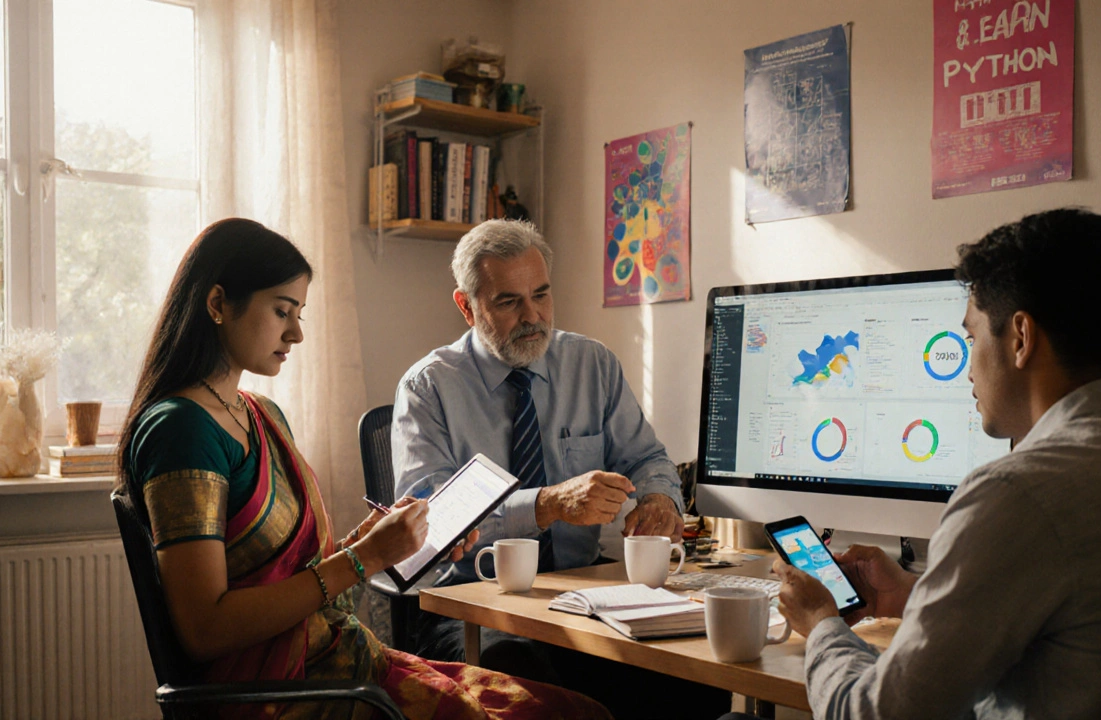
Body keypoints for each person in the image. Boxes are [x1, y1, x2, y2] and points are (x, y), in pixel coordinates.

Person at [763, 208, 1101, 720]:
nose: (967, 365)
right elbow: (1095, 628)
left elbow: (879, 715)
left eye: (970, 337)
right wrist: (916, 597)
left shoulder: (1014, 494)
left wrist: (823, 622)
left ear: (1020, 338)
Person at [117, 218, 610, 720]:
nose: (297, 332)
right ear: (218, 304)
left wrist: (375, 540)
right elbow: (206, 631)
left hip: (343, 665)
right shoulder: (181, 431)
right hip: (288, 694)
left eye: (300, 312)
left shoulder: (259, 413)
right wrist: (363, 558)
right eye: (282, 311)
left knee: (577, 706)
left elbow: (296, 574)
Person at [392, 219, 726, 718]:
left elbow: (648, 458)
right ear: (467, 307)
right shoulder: (428, 388)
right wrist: (547, 504)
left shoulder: (592, 364)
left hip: (581, 595)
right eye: (509, 302)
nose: (534, 316)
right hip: (469, 602)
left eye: (542, 295)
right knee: (520, 674)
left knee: (694, 674)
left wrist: (660, 498)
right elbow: (433, 522)